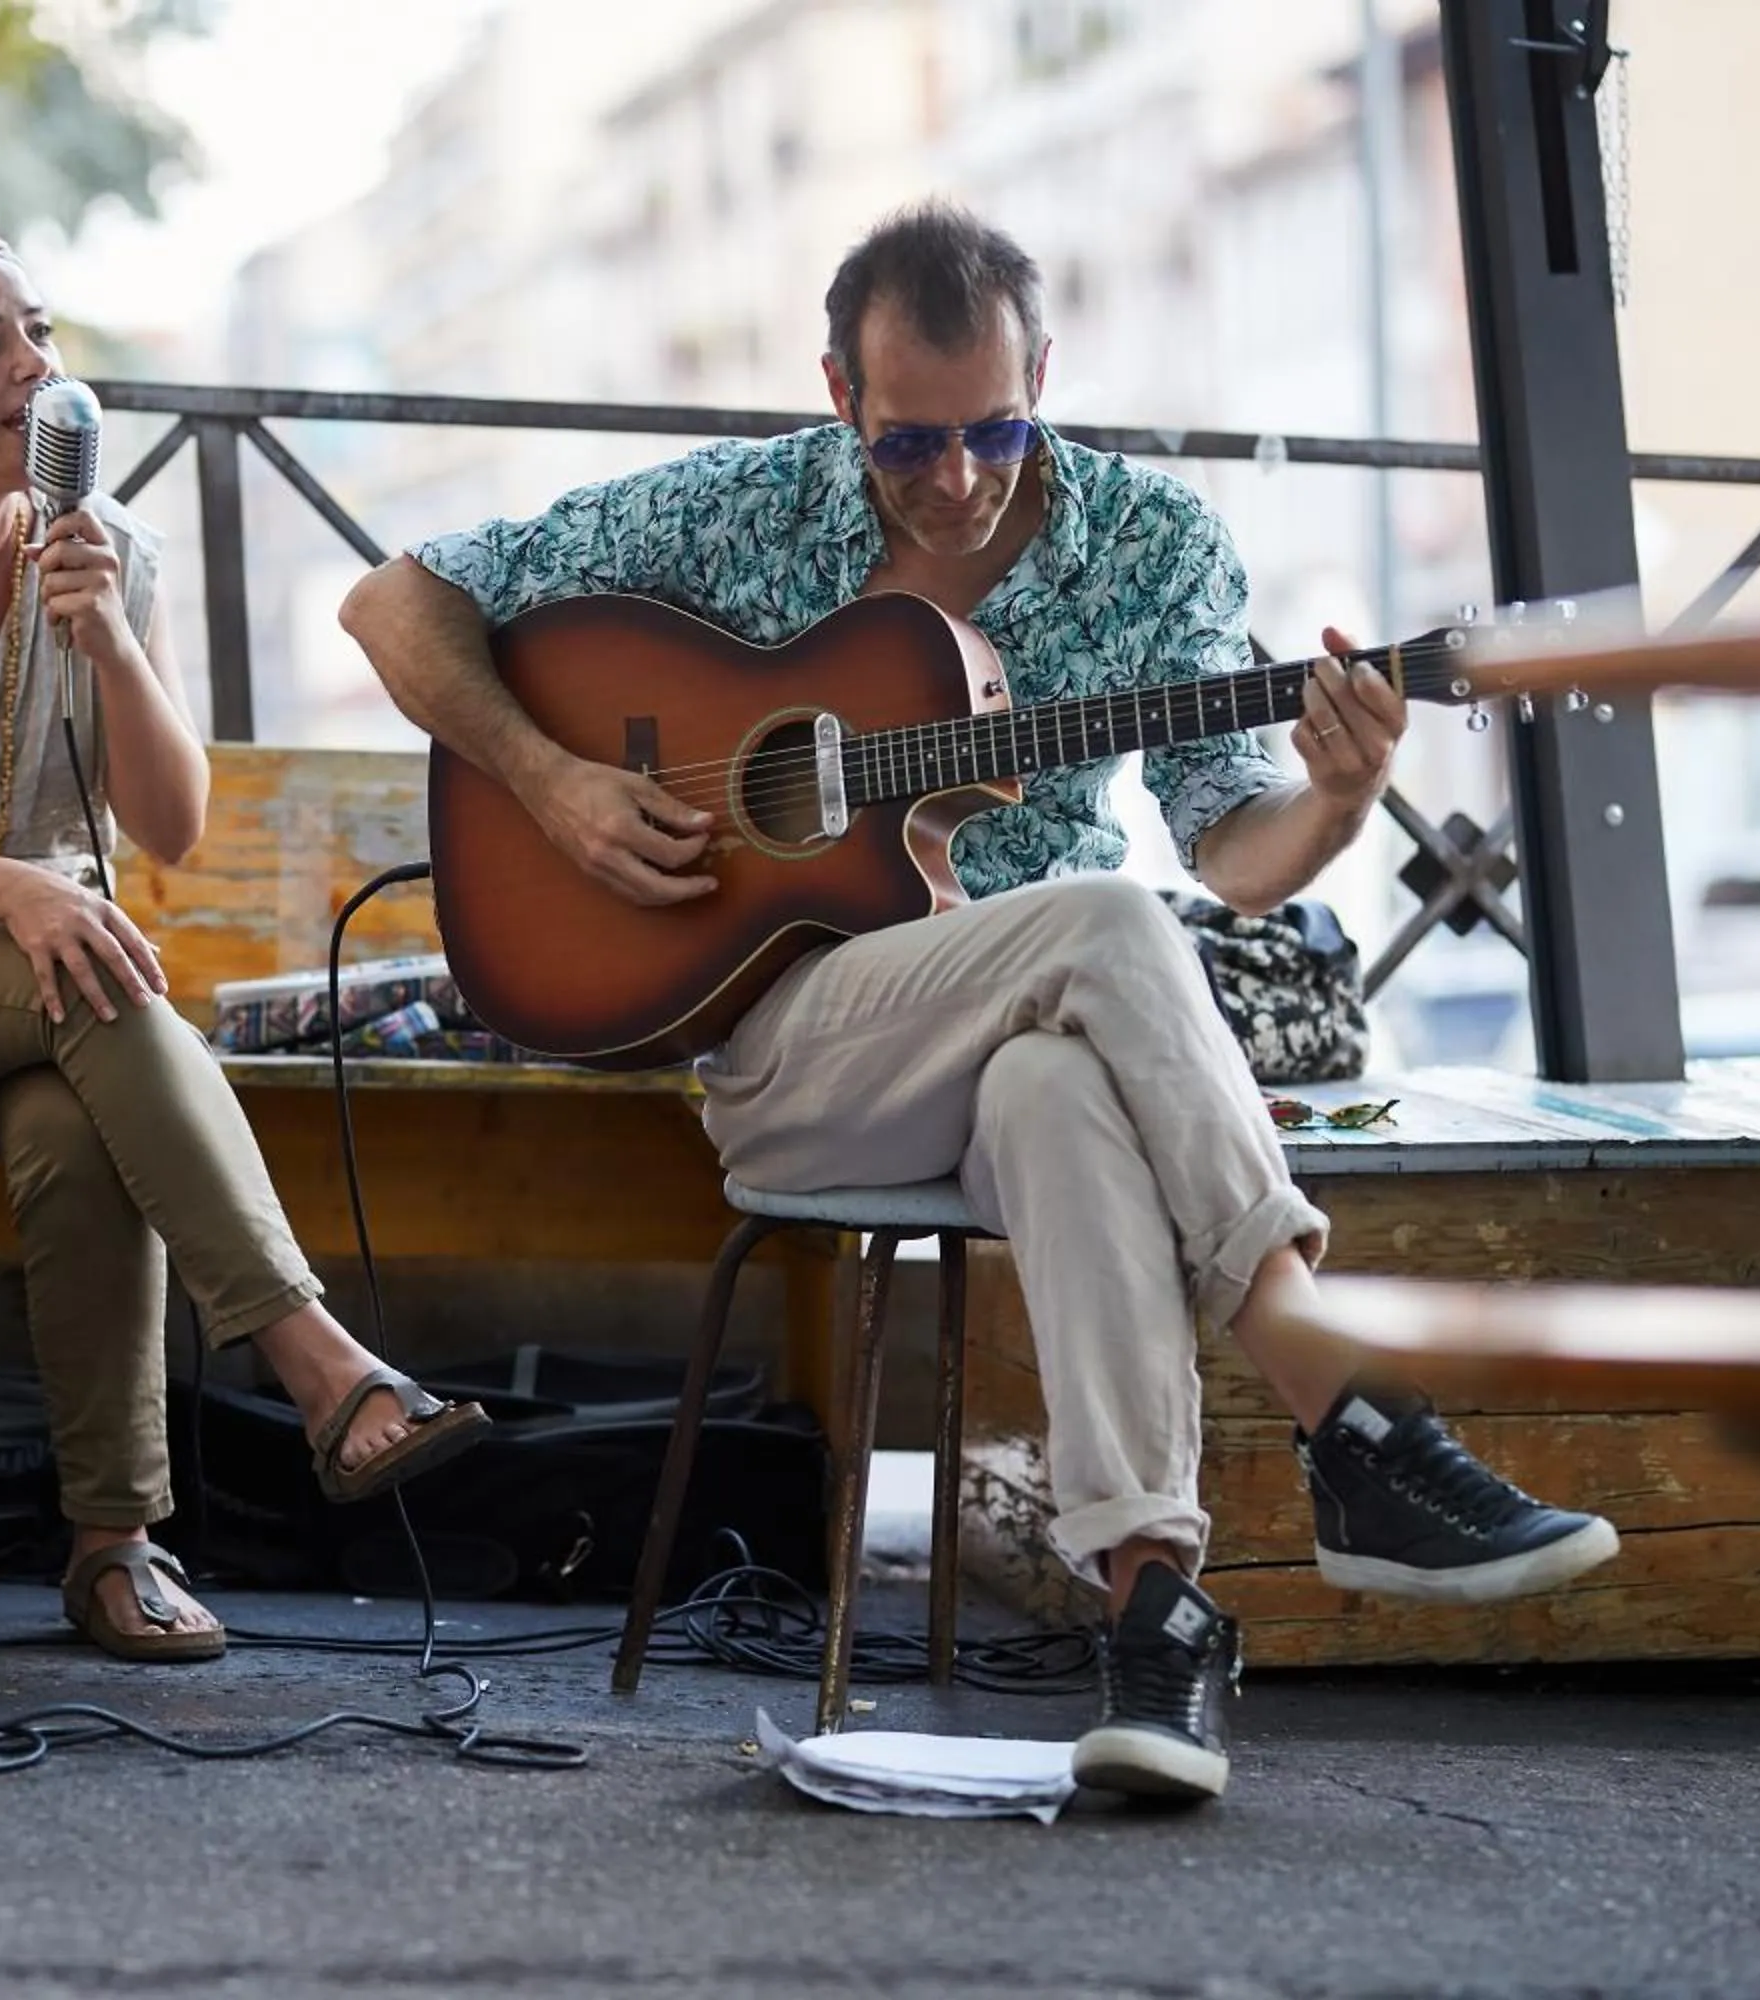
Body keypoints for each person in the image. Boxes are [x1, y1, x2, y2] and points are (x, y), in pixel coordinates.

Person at [338, 200, 1618, 1802]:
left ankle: (1155, 1625)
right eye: (909, 443)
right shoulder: (741, 515)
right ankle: (1342, 1405)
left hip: (1049, 1030)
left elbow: (1232, 852)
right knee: (1091, 921)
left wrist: (1345, 802)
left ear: (1047, 377)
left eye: (999, 429)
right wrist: (554, 783)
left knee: (1057, 1087)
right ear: (838, 398)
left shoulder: (1152, 546)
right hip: (797, 1052)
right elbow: (394, 601)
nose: (956, 479)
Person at [0, 165, 487, 1663]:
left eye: (40, 334)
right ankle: (319, 1368)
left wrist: (109, 641)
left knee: (79, 1112)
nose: (34, 371)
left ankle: (114, 1547)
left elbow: (173, 826)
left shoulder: (105, 552)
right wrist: (9, 885)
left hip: (24, 983)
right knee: (95, 977)